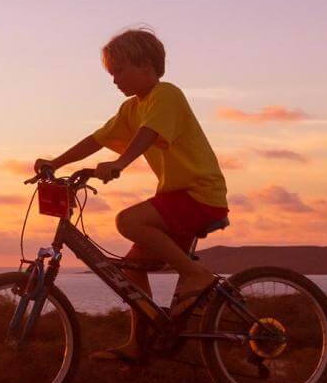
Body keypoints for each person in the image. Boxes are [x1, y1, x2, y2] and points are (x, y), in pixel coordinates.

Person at [32, 28, 228, 364]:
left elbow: (149, 134)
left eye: (120, 70)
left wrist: (121, 163)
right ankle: (140, 342)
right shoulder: (130, 109)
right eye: (112, 73)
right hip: (176, 199)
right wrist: (56, 162)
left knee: (128, 220)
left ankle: (196, 275)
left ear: (147, 67)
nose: (115, 80)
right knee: (131, 270)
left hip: (200, 194)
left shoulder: (166, 94)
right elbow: (96, 139)